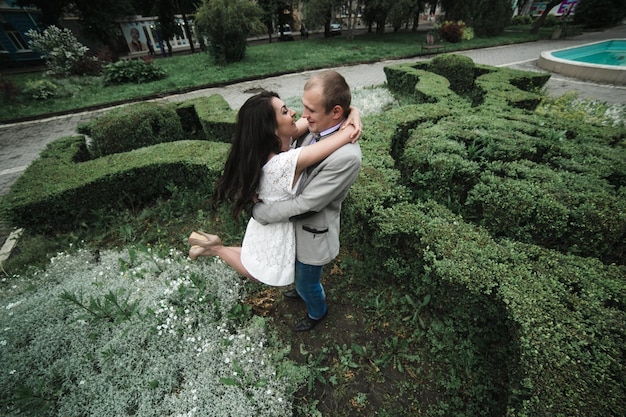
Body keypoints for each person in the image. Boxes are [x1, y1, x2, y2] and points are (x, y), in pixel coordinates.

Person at [188, 90, 361, 289]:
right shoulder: (283, 164)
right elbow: (343, 136)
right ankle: (216, 248)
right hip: (276, 224)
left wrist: (352, 111)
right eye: (285, 112)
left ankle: (213, 246)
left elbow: (324, 117)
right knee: (258, 271)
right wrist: (352, 124)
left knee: (255, 257)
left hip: (267, 221)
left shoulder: (267, 147)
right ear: (272, 129)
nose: (297, 113)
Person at [252, 70, 362, 332]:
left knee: (307, 282)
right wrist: (354, 111)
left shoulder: (347, 158)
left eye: (310, 109)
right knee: (297, 275)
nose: (303, 115)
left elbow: (307, 205)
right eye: (303, 106)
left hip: (313, 233)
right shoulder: (316, 126)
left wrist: (261, 213)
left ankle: (317, 311)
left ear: (336, 113)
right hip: (293, 227)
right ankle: (302, 292)